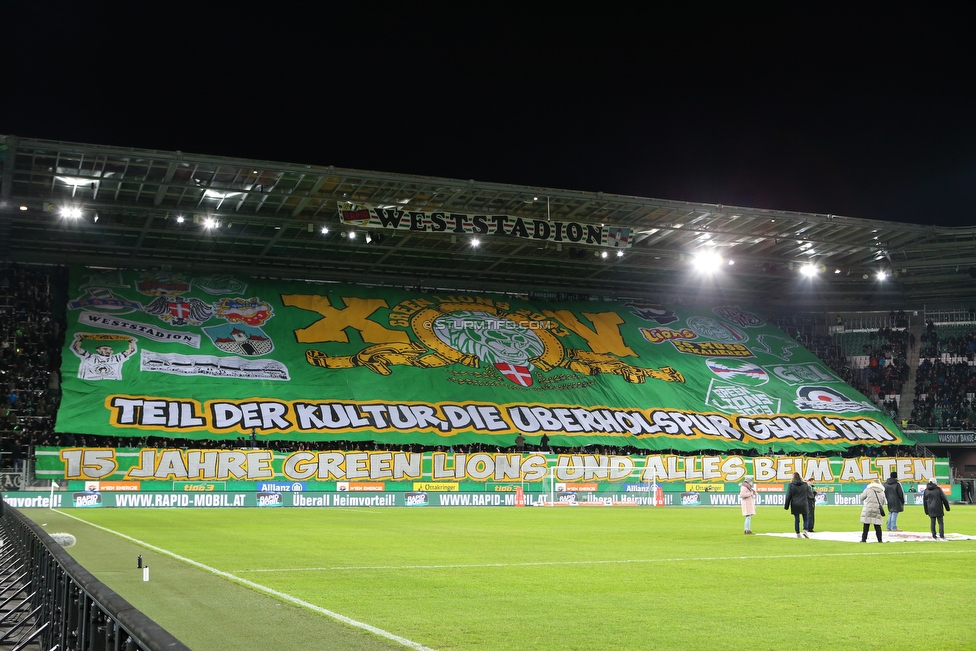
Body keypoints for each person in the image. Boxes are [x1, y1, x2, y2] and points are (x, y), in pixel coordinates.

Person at [783, 472, 810, 538]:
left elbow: (788, 496)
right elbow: (809, 493)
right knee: (806, 518)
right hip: (804, 504)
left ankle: (798, 533)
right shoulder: (805, 484)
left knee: (797, 519)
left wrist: (786, 506)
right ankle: (805, 530)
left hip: (795, 504)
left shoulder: (791, 485)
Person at [860, 478, 886, 543]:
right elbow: (883, 502)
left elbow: (861, 498)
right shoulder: (882, 491)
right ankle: (880, 540)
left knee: (866, 525)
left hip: (868, 508)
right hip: (877, 509)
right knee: (877, 525)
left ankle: (863, 539)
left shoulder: (868, 489)